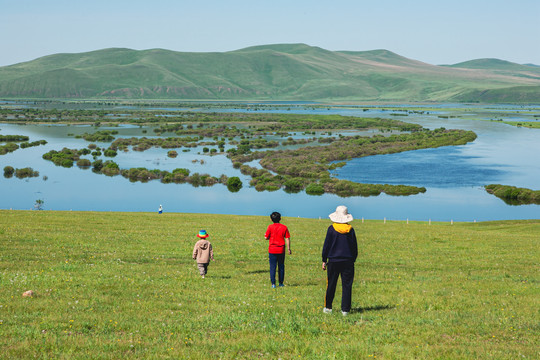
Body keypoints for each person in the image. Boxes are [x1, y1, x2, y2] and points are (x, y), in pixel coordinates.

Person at [322, 205, 358, 316]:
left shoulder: (331, 229)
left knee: (331, 284)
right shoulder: (350, 230)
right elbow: (354, 247)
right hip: (348, 261)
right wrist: (353, 259)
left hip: (333, 260)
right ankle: (345, 310)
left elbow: (326, 246)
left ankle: (328, 308)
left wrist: (324, 259)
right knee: (347, 285)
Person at [264, 211, 291, 288]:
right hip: (281, 250)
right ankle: (281, 283)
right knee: (281, 266)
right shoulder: (284, 227)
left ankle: (273, 284)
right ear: (280, 219)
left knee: (273, 267)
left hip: (272, 249)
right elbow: (287, 238)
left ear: (271, 219)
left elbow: (266, 237)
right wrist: (289, 248)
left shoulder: (270, 227)